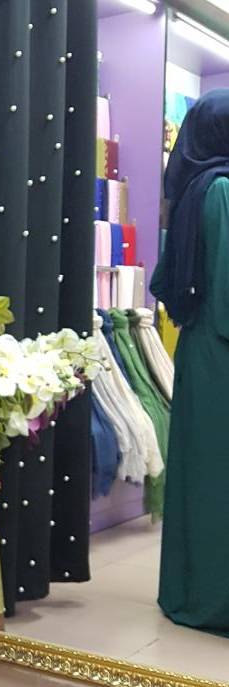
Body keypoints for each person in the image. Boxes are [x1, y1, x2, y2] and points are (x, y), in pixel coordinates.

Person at [151, 89, 229, 636]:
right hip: (222, 351)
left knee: (201, 472)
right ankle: (213, 600)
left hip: (203, 349)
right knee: (216, 477)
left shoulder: (196, 187)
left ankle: (189, 588)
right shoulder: (221, 188)